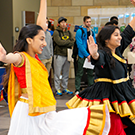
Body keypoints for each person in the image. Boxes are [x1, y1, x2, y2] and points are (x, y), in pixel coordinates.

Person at [1, 0, 110, 135]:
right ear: (29, 40)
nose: (45, 43)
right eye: (41, 39)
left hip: (39, 107)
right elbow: (13, 58)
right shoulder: (21, 57)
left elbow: (40, 26)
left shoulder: (34, 57)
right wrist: (5, 57)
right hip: (28, 110)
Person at [67, 1, 135, 134]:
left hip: (123, 93)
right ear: (106, 40)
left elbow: (130, 29)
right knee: (111, 127)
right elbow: (98, 59)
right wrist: (94, 54)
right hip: (109, 96)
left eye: (119, 34)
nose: (120, 37)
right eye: (116, 35)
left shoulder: (118, 49)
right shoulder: (104, 53)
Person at [75, 16, 96, 95]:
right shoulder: (79, 31)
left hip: (90, 56)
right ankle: (77, 89)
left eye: (90, 22)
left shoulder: (92, 32)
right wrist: (87, 55)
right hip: (82, 55)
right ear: (84, 22)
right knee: (79, 73)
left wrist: (92, 54)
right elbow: (79, 45)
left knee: (90, 73)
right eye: (87, 22)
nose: (89, 23)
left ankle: (91, 88)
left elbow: (94, 43)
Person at [53, 17, 74, 96]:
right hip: (59, 55)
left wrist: (65, 42)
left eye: (64, 22)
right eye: (62, 22)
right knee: (57, 73)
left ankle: (65, 88)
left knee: (66, 73)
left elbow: (72, 41)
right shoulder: (56, 32)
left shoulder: (68, 32)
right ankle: (57, 88)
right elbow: (59, 42)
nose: (64, 24)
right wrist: (67, 42)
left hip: (67, 55)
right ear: (59, 24)